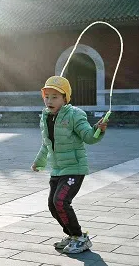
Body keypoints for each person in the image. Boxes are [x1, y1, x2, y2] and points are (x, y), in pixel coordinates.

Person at [31, 76, 108, 254]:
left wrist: (98, 129)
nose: (49, 100)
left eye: (54, 97)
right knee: (52, 204)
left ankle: (80, 238)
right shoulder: (45, 117)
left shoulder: (75, 114)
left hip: (74, 168)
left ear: (65, 98)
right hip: (57, 169)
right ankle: (72, 235)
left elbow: (88, 137)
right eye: (46, 96)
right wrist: (39, 162)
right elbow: (46, 143)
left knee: (61, 201)